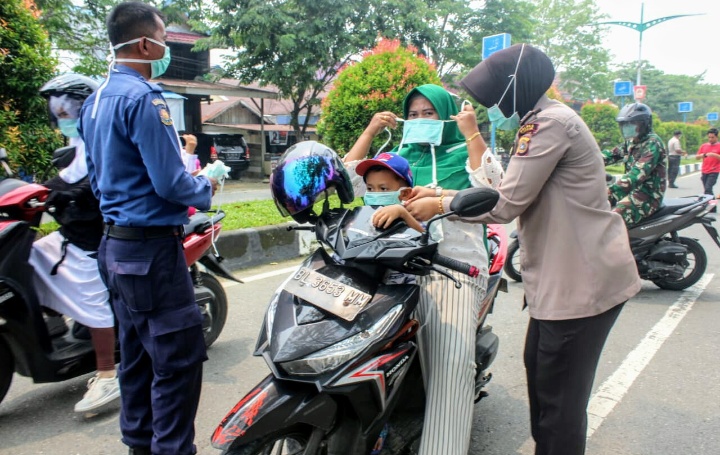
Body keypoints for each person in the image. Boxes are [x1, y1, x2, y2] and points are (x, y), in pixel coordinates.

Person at [449, 43, 641, 455]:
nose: (492, 104)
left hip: (580, 284)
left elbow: (505, 203)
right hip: (565, 278)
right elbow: (510, 188)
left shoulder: (549, 124)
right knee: (542, 380)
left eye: (495, 93)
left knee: (558, 406)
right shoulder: (542, 120)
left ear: (517, 86)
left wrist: (442, 204)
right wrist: (439, 194)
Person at [77, 2, 217, 455]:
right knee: (176, 365)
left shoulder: (95, 100)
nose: (166, 48)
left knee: (135, 359)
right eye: (164, 39)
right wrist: (207, 184)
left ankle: (139, 445)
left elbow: (96, 179)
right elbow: (171, 182)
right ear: (144, 43)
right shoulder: (143, 98)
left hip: (114, 248)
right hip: (152, 253)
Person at [343, 83, 501, 455]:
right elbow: (348, 183)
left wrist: (471, 132)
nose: (418, 120)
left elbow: (494, 188)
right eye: (412, 114)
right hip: (390, 262)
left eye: (428, 113)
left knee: (450, 365)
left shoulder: (464, 151)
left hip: (452, 267)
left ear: (446, 114)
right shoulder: (398, 154)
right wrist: (369, 132)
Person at [31, 73, 120, 413]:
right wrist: (40, 190)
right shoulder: (82, 140)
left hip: (97, 237)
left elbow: (95, 180)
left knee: (91, 296)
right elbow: (66, 177)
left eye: (67, 113)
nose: (63, 119)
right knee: (32, 257)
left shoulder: (103, 138)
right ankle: (54, 324)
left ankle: (107, 375)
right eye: (59, 114)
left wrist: (72, 191)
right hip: (73, 232)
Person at [601, 103, 667, 226]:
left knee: (611, 221)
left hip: (646, 196)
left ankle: (618, 245)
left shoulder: (653, 143)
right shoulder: (631, 142)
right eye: (624, 124)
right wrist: (586, 162)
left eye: (632, 123)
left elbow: (636, 175)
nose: (627, 127)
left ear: (644, 124)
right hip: (629, 192)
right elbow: (610, 155)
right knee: (593, 206)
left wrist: (610, 190)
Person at [355, 152, 424, 232]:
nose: (375, 195)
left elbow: (425, 236)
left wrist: (403, 213)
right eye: (370, 189)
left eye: (383, 189)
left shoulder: (414, 213)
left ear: (405, 193)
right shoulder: (363, 216)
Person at [696, 127, 720, 195]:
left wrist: (713, 154)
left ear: (716, 137)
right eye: (709, 137)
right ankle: (711, 204)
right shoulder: (704, 146)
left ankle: (712, 205)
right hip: (704, 170)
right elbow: (697, 157)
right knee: (707, 190)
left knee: (708, 188)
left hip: (714, 171)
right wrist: (703, 155)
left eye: (712, 137)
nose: (710, 139)